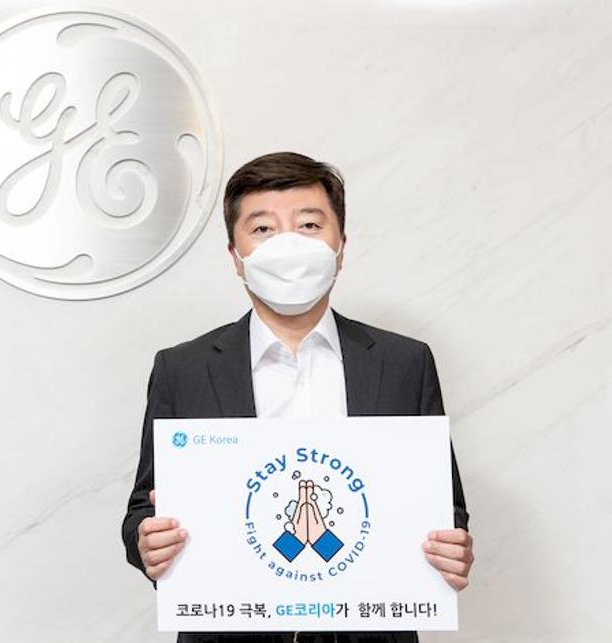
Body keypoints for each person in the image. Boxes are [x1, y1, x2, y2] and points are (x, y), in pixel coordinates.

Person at [121, 152, 474, 643]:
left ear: (340, 247)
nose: (287, 245)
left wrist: (451, 549)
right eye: (263, 229)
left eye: (309, 224)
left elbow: (444, 509)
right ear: (235, 256)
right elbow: (143, 511)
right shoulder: (183, 369)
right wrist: (147, 543)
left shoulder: (404, 362)